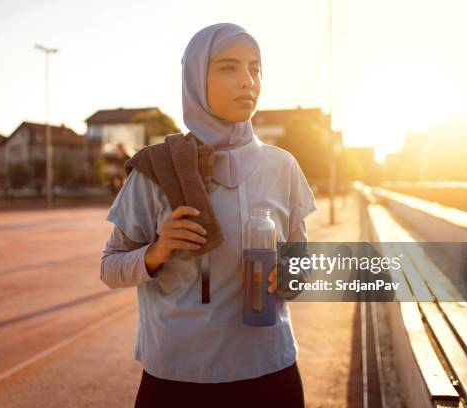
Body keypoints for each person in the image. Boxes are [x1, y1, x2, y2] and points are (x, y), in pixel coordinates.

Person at [100, 23, 317, 408]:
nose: (247, 81)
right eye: (228, 67)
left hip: (270, 371)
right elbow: (109, 267)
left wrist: (292, 273)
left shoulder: (282, 167)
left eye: (256, 68)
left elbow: (303, 256)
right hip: (178, 378)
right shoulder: (155, 169)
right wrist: (158, 249)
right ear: (197, 77)